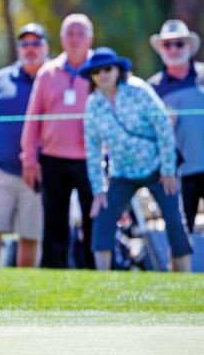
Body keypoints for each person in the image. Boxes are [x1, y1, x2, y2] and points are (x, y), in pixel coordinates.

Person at [81, 47, 192, 272]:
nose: (103, 74)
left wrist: (168, 170)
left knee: (174, 221)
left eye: (107, 69)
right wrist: (99, 190)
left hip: (158, 170)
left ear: (117, 70)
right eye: (97, 71)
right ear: (91, 76)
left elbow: (164, 129)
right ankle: (101, 277)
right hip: (122, 174)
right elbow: (92, 150)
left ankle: (186, 275)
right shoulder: (93, 104)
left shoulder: (139, 91)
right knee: (103, 219)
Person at [21, 14, 95, 269]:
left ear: (90, 38)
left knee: (93, 221)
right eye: (70, 34)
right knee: (55, 223)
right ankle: (55, 274)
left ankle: (94, 273)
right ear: (62, 39)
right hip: (53, 160)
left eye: (80, 33)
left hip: (91, 160)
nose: (75, 39)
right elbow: (33, 120)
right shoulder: (47, 73)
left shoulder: (102, 70)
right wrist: (29, 160)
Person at [0, 24, 49, 267]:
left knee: (30, 234)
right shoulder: (1, 79)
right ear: (18, 49)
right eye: (25, 44)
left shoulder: (54, 78)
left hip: (39, 174)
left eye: (36, 43)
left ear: (46, 47)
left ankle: (24, 293)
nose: (30, 49)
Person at [147, 19, 204, 234]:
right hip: (177, 174)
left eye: (179, 43)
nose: (173, 49)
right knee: (181, 232)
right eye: (167, 44)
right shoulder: (152, 88)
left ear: (189, 46)